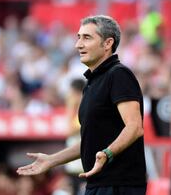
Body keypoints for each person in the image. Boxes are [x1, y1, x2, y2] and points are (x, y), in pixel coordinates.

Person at [17, 15, 147, 195]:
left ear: (107, 43)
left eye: (87, 37)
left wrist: (107, 154)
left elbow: (135, 127)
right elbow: (90, 141)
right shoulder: (91, 84)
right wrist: (52, 160)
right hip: (96, 183)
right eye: (79, 37)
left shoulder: (118, 75)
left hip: (118, 185)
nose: (78, 44)